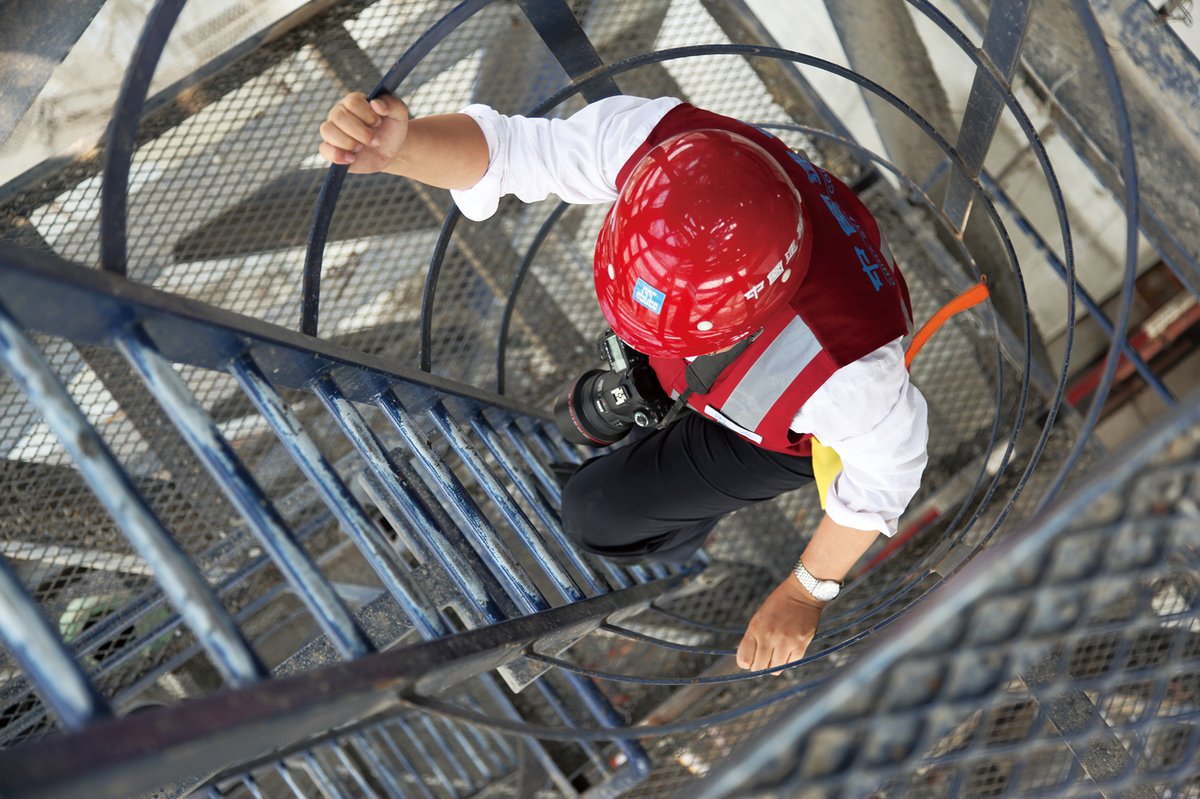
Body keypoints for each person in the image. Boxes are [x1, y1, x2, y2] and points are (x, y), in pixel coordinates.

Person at [318, 92, 929, 675]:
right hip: (742, 359)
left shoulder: (851, 378)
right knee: (596, 427)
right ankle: (666, 424)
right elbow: (513, 150)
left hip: (776, 429)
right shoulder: (660, 150)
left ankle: (685, 533)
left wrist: (804, 593)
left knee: (598, 515)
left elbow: (883, 480)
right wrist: (402, 146)